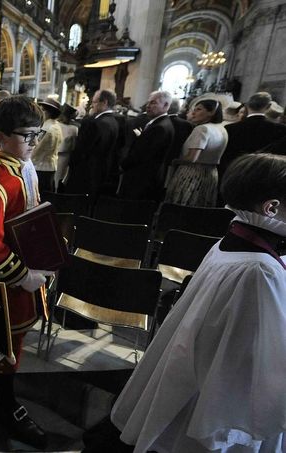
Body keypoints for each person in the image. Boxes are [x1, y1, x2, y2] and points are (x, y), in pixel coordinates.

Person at [113, 152, 286, 453]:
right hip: (225, 393)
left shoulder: (233, 239)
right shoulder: (259, 269)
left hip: (200, 372)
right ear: (271, 208)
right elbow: (261, 360)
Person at [0, 95, 52, 449]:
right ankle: (5, 405)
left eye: (39, 135)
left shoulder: (21, 168)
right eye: (27, 136)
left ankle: (6, 398)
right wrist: (23, 275)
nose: (34, 143)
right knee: (7, 347)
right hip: (7, 286)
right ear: (1, 137)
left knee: (15, 345)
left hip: (25, 277)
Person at [165, 99, 228, 207]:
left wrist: (175, 161)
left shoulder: (202, 129)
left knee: (184, 205)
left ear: (211, 112)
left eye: (198, 109)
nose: (193, 112)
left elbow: (192, 158)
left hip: (192, 174)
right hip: (210, 173)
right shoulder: (222, 129)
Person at [119, 90, 175, 201]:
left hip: (142, 179)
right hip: (144, 177)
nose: (148, 106)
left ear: (166, 105)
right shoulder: (159, 123)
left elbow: (142, 154)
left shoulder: (160, 127)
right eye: (148, 103)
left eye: (153, 103)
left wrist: (123, 165)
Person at [219, 92, 286, 183]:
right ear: (268, 106)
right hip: (266, 176)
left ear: (247, 105)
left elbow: (224, 154)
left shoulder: (230, 128)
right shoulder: (280, 130)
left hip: (233, 173)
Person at [64, 90, 120, 196]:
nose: (92, 105)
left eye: (94, 102)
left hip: (85, 173)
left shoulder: (94, 123)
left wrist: (71, 164)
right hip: (100, 172)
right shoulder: (113, 122)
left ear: (104, 102)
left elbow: (81, 151)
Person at [31, 98, 62, 193]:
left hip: (40, 168)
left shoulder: (46, 128)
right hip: (51, 167)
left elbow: (36, 149)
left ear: (48, 112)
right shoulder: (57, 126)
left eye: (42, 110)